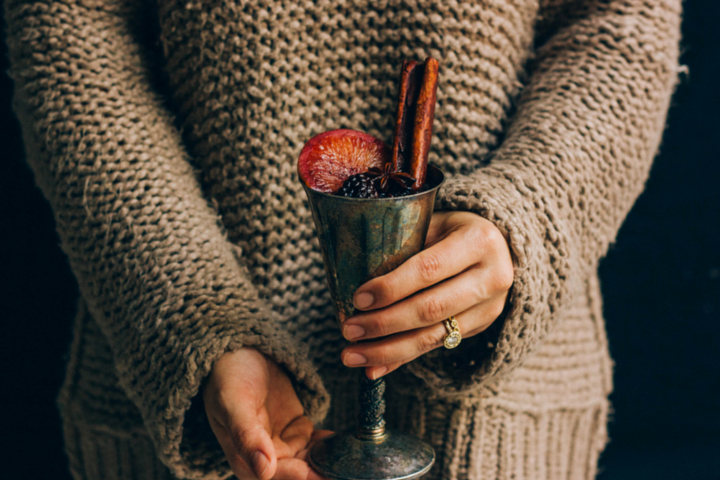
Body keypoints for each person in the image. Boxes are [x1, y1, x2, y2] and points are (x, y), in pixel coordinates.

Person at [5, 0, 681, 479]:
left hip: (496, 402)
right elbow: (69, 39)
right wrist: (191, 313)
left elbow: (619, 24)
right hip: (183, 393)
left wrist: (527, 218)